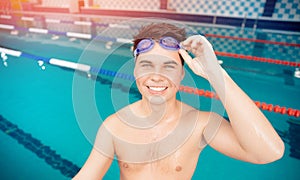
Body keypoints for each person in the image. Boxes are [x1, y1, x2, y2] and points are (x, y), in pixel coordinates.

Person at [73, 23, 284, 180]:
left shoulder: (200, 123)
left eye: (168, 66)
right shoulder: (114, 126)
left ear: (182, 73)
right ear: (135, 70)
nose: (157, 76)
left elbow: (267, 153)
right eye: (146, 65)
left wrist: (216, 74)